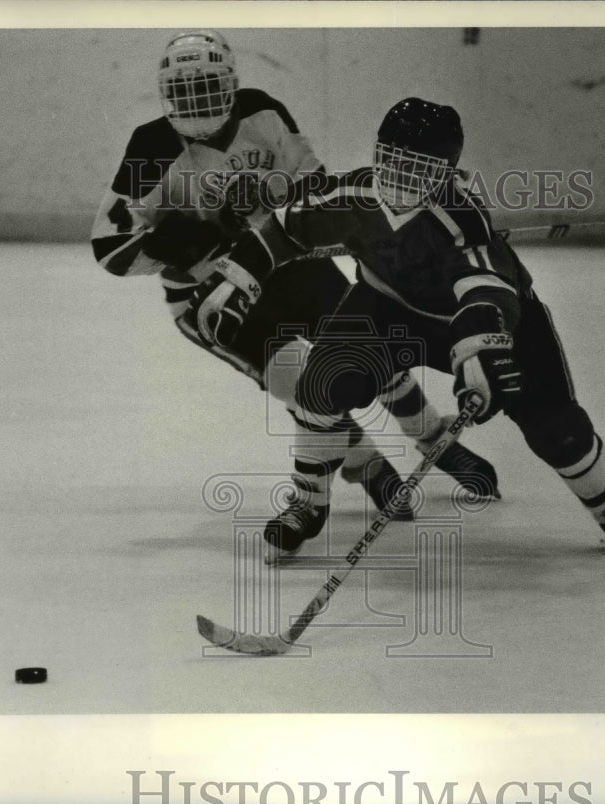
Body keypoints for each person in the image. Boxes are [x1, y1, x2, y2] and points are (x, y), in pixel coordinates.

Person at [188, 96, 605, 557]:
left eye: (419, 169)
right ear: (378, 154)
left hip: (493, 323)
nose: (401, 179)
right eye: (394, 161)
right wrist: (238, 281)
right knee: (320, 387)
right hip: (387, 311)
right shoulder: (354, 193)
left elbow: (486, 294)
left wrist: (478, 355)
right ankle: (309, 503)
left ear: (447, 172)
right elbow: (282, 228)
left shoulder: (463, 219)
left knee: (554, 428)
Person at [91, 34, 499, 536]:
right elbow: (110, 245)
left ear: (233, 85)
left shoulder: (263, 111)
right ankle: (366, 463)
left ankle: (434, 437)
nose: (197, 101)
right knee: (303, 382)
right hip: (214, 295)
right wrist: (191, 238)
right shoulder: (151, 147)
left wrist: (271, 196)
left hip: (288, 265)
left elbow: (312, 185)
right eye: (185, 90)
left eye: (208, 87)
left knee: (373, 352)